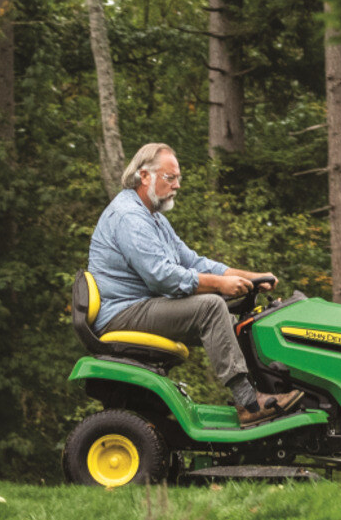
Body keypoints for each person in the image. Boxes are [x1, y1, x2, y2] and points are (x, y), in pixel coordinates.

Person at [88, 142, 306, 426]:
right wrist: (219, 285)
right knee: (212, 307)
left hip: (139, 306)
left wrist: (249, 277)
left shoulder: (153, 218)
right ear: (144, 176)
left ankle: (268, 390)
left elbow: (193, 262)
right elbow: (163, 277)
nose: (177, 185)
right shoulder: (129, 217)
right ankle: (250, 404)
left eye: (178, 178)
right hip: (120, 313)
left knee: (237, 315)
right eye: (170, 178)